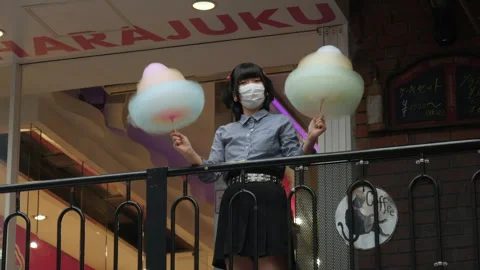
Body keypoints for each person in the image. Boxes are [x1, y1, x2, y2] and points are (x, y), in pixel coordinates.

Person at [170, 63, 326, 270]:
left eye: (256, 81)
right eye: (243, 83)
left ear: (265, 88)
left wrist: (311, 138)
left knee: (273, 264)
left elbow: (296, 162)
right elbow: (211, 174)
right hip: (235, 201)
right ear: (235, 94)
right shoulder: (225, 131)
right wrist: (190, 153)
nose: (251, 86)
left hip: (269, 199)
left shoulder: (281, 122)